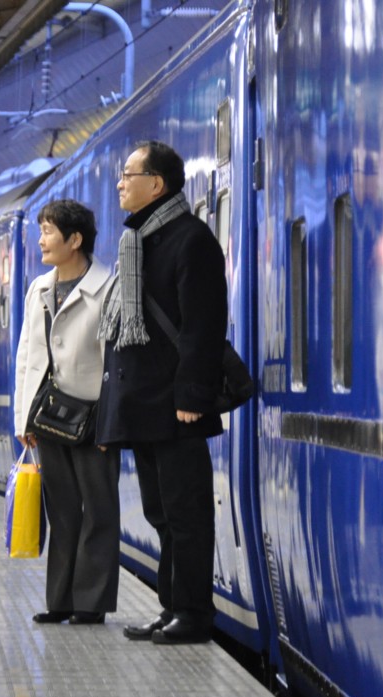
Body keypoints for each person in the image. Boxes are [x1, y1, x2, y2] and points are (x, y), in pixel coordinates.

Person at [95, 141, 228, 644]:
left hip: (177, 406)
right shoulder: (140, 241)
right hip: (146, 408)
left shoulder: (190, 240)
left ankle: (194, 613)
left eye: (128, 175)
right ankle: (172, 605)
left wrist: (193, 395)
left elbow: (203, 325)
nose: (120, 183)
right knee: (161, 514)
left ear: (157, 184)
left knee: (186, 514)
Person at [14, 199, 120, 626]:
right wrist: (24, 418)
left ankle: (90, 604)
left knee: (98, 510)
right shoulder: (39, 287)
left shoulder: (108, 288)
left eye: (48, 231)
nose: (41, 239)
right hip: (49, 415)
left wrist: (112, 422)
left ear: (74, 240)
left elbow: (116, 363)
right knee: (61, 509)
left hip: (94, 415)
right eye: (41, 230)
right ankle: (59, 600)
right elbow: (27, 354)